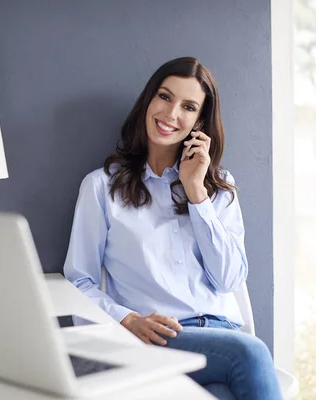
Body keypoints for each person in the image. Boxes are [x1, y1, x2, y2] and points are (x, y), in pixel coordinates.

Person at [63, 57, 283, 400]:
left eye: (188, 106)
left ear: (200, 122)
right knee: (252, 353)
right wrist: (127, 320)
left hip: (222, 337)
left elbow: (229, 279)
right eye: (165, 97)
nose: (171, 113)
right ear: (149, 100)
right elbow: (79, 282)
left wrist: (197, 193)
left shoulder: (219, 187)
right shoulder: (101, 187)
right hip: (159, 339)